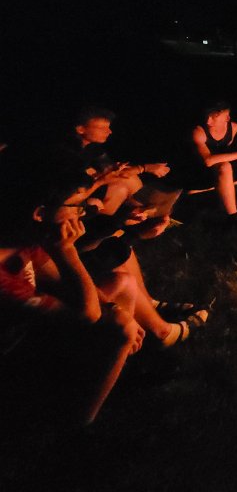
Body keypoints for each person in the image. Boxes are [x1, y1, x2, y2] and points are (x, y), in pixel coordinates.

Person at [0, 182, 143, 425]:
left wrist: (113, 306)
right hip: (15, 351)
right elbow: (87, 316)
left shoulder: (23, 241)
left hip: (34, 325)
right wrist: (66, 251)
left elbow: (59, 280)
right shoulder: (4, 279)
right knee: (120, 326)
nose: (82, 213)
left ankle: (111, 368)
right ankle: (79, 419)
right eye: (76, 206)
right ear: (40, 212)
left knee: (122, 283)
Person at [70, 107, 181, 217]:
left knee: (121, 189)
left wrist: (116, 169)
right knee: (124, 184)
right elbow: (81, 185)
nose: (109, 131)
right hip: (78, 198)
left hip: (97, 192)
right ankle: (145, 208)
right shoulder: (69, 154)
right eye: (102, 128)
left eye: (108, 127)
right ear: (80, 129)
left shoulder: (93, 149)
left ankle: (142, 210)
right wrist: (144, 168)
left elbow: (109, 171)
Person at [191, 101, 237, 218]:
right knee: (225, 166)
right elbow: (208, 161)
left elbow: (230, 151)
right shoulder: (199, 132)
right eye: (208, 116)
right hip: (203, 171)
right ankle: (233, 216)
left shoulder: (234, 128)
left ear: (227, 117)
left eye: (214, 117)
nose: (208, 121)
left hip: (225, 164)